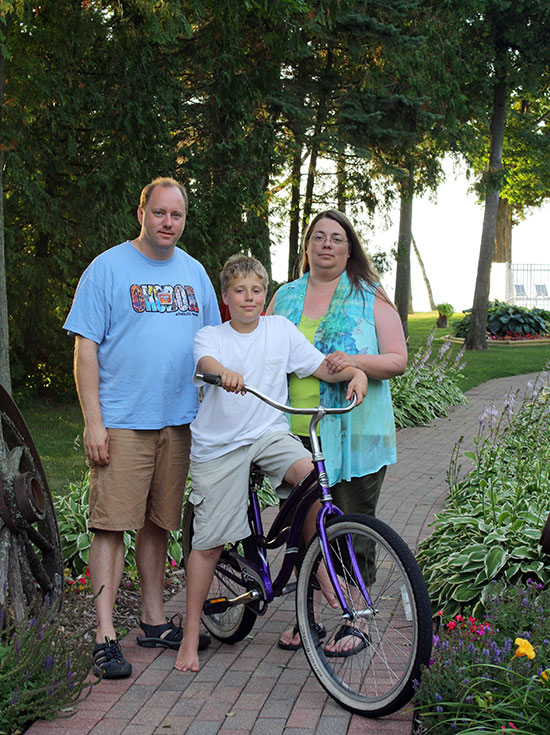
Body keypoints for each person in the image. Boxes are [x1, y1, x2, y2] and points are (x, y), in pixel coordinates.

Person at [174, 254, 367, 673]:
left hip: (267, 434)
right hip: (220, 445)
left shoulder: (280, 329)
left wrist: (355, 372)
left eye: (256, 291)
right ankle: (190, 634)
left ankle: (317, 569)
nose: (249, 298)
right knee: (209, 542)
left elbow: (320, 366)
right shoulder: (211, 336)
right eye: (239, 291)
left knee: (314, 481)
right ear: (226, 297)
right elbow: (205, 364)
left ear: (265, 294)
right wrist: (222, 372)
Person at [63, 177, 221, 679]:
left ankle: (153, 620)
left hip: (177, 423)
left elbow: (215, 346)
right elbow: (84, 348)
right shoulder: (107, 269)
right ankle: (105, 636)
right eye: (159, 213)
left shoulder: (195, 274)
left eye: (176, 215)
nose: (167, 223)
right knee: (110, 526)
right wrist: (94, 421)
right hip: (123, 423)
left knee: (158, 523)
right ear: (141, 213)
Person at [267, 209, 407, 655]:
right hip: (297, 433)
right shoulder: (284, 297)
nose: (327, 245)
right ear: (307, 246)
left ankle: (357, 618)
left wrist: (354, 363)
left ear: (350, 249)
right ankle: (308, 618)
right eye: (319, 237)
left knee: (351, 529)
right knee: (305, 531)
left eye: (337, 238)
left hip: (355, 433)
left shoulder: (370, 294)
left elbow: (397, 359)